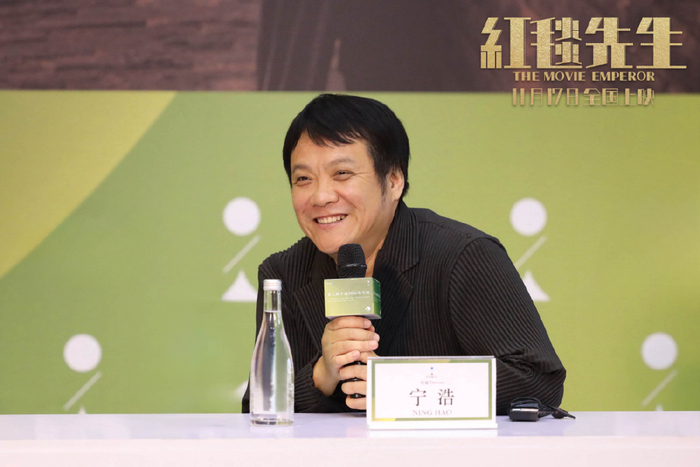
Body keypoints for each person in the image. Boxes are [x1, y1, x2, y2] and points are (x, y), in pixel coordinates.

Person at [241, 94, 566, 414]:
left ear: (394, 180)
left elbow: (537, 379)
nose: (321, 196)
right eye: (303, 179)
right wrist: (321, 375)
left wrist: (402, 385)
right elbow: (257, 407)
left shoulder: (463, 255)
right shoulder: (283, 273)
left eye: (342, 174)